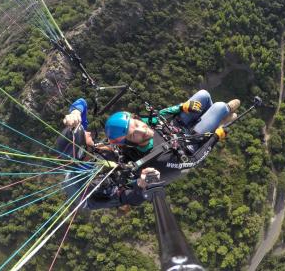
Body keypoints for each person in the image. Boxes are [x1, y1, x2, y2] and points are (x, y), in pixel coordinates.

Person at [64, 90, 240, 182]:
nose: (142, 129)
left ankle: (217, 116)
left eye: (138, 123)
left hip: (175, 126)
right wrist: (214, 137)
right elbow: (193, 160)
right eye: (135, 133)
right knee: (219, 107)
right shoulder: (154, 159)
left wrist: (181, 107)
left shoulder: (141, 125)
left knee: (203, 95)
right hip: (190, 142)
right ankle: (221, 114)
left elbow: (157, 116)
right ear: (130, 143)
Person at [58, 99, 160, 210]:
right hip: (91, 195)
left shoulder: (85, 151)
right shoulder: (95, 183)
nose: (89, 132)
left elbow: (82, 102)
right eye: (85, 133)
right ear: (83, 148)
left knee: (112, 152)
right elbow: (124, 198)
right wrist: (141, 184)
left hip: (91, 166)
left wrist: (75, 112)